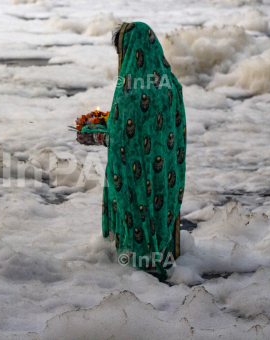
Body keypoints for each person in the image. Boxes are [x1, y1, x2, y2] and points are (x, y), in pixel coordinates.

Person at [77, 22, 186, 281]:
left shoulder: (128, 91)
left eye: (122, 53)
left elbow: (121, 140)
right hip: (167, 170)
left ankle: (139, 262)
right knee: (161, 210)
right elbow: (146, 127)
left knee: (138, 214)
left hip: (137, 178)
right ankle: (168, 252)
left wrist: (91, 135)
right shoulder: (171, 82)